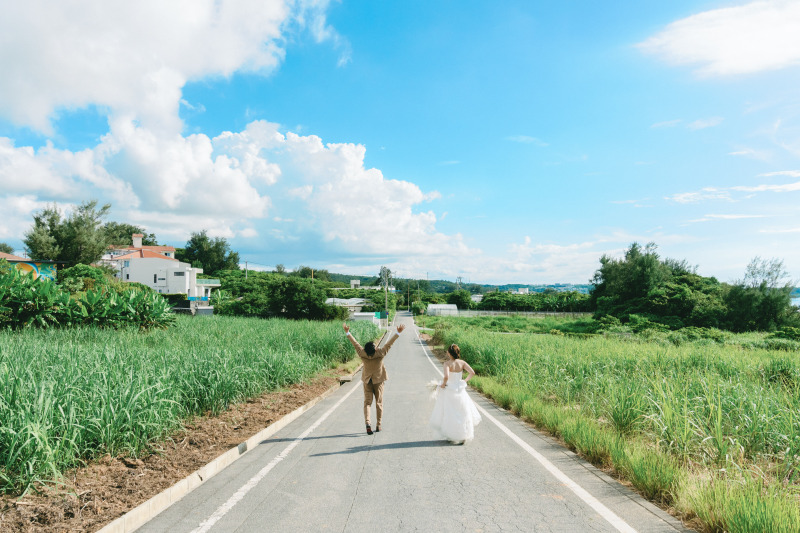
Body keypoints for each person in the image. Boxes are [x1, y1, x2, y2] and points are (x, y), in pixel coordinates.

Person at [344, 322, 406, 435]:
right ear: (375, 349)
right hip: (379, 381)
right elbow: (389, 344)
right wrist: (398, 332)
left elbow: (355, 343)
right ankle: (378, 424)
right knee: (379, 403)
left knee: (367, 403)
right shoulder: (380, 353)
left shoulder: (362, 353)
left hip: (367, 381)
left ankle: (368, 423)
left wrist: (348, 332)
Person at [429, 343, 481, 444]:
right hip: (460, 390)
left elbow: (446, 377)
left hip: (450, 391)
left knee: (451, 413)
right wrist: (464, 381)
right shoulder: (462, 363)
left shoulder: (447, 364)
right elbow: (472, 372)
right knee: (463, 413)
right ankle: (464, 435)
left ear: (449, 353)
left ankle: (452, 435)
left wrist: (443, 385)